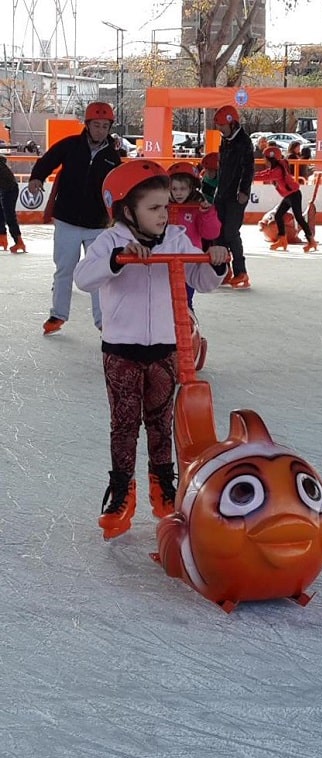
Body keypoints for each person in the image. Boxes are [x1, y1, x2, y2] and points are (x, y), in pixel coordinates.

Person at [73, 160, 228, 538]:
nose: (164, 214)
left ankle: (164, 485)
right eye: (154, 208)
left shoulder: (176, 239)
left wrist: (218, 262)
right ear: (127, 210)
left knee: (160, 423)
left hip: (165, 347)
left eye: (166, 207)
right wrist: (117, 260)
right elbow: (83, 278)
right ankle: (122, 491)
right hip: (121, 349)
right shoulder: (108, 242)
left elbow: (203, 280)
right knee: (124, 425)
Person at [28, 102, 121, 334]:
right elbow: (47, 160)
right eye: (96, 125)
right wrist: (37, 178)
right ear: (87, 125)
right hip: (67, 220)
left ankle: (103, 321)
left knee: (98, 273)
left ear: (109, 128)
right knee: (64, 269)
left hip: (98, 225)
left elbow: (119, 188)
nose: (100, 130)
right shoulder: (70, 146)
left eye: (105, 126)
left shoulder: (113, 157)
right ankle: (58, 314)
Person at [167, 160, 221, 306]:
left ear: (191, 188)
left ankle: (188, 326)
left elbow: (211, 234)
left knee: (185, 301)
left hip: (189, 263)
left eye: (183, 189)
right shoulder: (162, 207)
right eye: (174, 189)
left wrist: (207, 214)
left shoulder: (198, 208)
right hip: (164, 262)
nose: (178, 193)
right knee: (163, 300)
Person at [213, 105, 254, 288]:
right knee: (218, 233)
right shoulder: (226, 140)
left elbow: (248, 169)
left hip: (236, 195)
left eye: (222, 125)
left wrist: (243, 191)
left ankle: (241, 271)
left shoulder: (243, 142)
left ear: (232, 123)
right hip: (222, 193)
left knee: (230, 232)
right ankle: (224, 270)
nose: (219, 129)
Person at [253, 145, 318, 252]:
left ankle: (311, 240)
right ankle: (282, 239)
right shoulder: (276, 168)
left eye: (266, 158)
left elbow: (266, 176)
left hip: (294, 195)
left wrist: (250, 176)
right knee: (278, 216)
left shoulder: (277, 170)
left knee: (299, 218)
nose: (264, 160)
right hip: (289, 195)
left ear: (271, 158)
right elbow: (265, 173)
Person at [0, 154, 26, 253]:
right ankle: (2, 239)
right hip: (4, 188)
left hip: (9, 189)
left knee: (9, 215)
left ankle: (19, 242)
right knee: (1, 214)